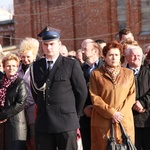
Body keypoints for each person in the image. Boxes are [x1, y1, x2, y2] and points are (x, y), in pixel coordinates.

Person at [30, 26, 87, 150]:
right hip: (44, 123)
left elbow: (81, 92)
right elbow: (35, 92)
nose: (49, 47)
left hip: (66, 122)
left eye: (52, 44)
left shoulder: (70, 64)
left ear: (59, 44)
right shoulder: (36, 66)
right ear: (42, 46)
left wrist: (73, 115)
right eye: (46, 44)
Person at [89, 41, 136, 150]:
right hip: (103, 121)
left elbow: (131, 96)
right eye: (110, 55)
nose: (114, 58)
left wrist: (119, 114)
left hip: (124, 121)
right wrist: (111, 113)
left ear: (120, 56)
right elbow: (95, 97)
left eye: (116, 55)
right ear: (104, 57)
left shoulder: (128, 74)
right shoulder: (96, 74)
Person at [125, 45, 150, 150]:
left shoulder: (148, 72)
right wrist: (132, 104)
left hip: (147, 120)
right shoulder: (122, 74)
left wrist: (143, 103)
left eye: (139, 55)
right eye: (133, 55)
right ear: (126, 57)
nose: (137, 58)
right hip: (129, 120)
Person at [80, 39, 103, 150]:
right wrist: (84, 107)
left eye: (85, 49)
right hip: (86, 117)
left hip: (103, 114)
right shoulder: (79, 69)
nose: (82, 52)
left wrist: (98, 107)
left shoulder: (105, 67)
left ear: (94, 51)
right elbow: (77, 91)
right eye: (82, 49)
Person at [0, 53, 27, 150]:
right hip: (2, 125)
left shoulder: (20, 82)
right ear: (4, 67)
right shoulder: (1, 83)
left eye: (13, 66)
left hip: (16, 124)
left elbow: (20, 103)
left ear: (17, 67)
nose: (11, 68)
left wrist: (3, 115)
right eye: (8, 66)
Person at [18, 37, 39, 150]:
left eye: (28, 57)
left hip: (33, 107)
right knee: (23, 137)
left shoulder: (37, 69)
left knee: (33, 136)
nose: (25, 59)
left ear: (34, 56)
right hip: (20, 109)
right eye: (23, 57)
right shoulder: (18, 70)